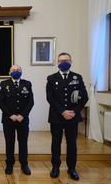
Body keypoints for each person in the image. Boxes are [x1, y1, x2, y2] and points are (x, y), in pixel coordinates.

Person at [46, 52, 88, 181]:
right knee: (56, 143)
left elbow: (84, 97)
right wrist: (62, 111)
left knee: (72, 144)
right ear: (57, 62)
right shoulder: (51, 78)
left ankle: (72, 169)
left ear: (71, 62)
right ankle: (55, 168)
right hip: (57, 116)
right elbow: (50, 97)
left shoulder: (77, 77)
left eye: (67, 60)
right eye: (61, 60)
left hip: (72, 116)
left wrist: (74, 111)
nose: (64, 62)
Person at [0, 64, 34, 175]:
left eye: (18, 69)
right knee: (9, 142)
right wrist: (10, 115)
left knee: (23, 142)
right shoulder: (3, 84)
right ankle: (9, 164)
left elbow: (30, 102)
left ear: (21, 72)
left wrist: (22, 115)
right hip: (8, 120)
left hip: (23, 120)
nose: (15, 71)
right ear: (9, 72)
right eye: (13, 70)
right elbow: (1, 102)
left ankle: (24, 164)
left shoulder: (27, 84)